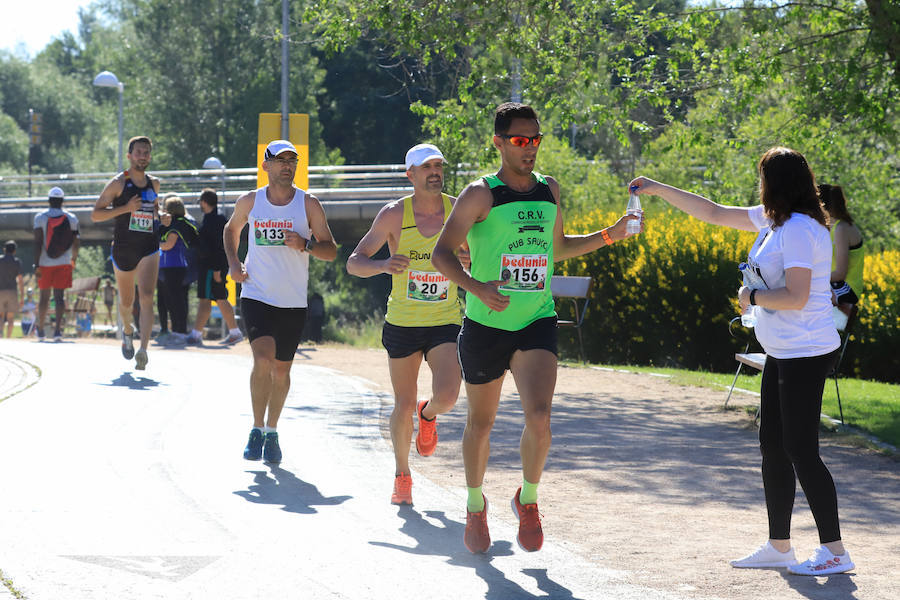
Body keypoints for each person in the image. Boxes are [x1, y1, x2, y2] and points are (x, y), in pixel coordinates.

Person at [629, 147, 854, 576]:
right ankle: (780, 546)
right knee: (773, 446)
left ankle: (836, 551)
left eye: (763, 177)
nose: (759, 186)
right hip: (782, 352)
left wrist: (752, 297)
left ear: (777, 182)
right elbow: (713, 212)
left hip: (804, 352)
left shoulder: (801, 230)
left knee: (801, 451)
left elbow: (797, 296)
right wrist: (657, 189)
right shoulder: (775, 221)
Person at [431, 103, 639, 553]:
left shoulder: (550, 190)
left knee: (540, 418)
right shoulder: (479, 194)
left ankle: (528, 500)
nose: (530, 149)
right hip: (486, 325)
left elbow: (557, 248)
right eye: (520, 141)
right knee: (481, 424)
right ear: (499, 142)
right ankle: (474, 504)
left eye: (536, 140)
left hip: (536, 319)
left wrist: (610, 234)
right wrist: (474, 287)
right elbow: (441, 253)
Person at [347, 143, 468, 505]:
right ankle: (403, 475)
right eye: (426, 166)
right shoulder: (393, 215)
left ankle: (427, 414)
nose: (434, 171)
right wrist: (382, 265)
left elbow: (481, 259)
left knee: (448, 395)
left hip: (444, 319)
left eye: (438, 165)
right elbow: (354, 262)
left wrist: (470, 259)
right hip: (402, 322)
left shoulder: (458, 211)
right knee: (401, 402)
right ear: (410, 174)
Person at [225, 140, 337, 464]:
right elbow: (230, 230)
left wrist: (306, 244)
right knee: (263, 359)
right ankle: (256, 428)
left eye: (293, 160)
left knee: (281, 371)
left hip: (292, 301)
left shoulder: (308, 204)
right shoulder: (251, 201)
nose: (287, 165)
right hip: (256, 293)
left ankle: (272, 431)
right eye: (280, 160)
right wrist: (234, 263)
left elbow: (330, 250)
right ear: (266, 165)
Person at [91, 136, 160, 370]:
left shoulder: (154, 184)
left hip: (149, 247)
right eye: (139, 152)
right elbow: (95, 214)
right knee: (127, 302)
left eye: (146, 152)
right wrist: (125, 209)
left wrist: (163, 218)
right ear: (129, 156)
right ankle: (128, 332)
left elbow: (154, 213)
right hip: (124, 249)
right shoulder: (118, 183)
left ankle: (143, 350)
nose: (143, 156)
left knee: (148, 296)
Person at [187, 188, 243, 346]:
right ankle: (234, 332)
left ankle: (197, 335)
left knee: (209, 299)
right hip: (211, 266)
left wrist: (218, 269)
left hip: (212, 267)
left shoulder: (216, 220)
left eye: (201, 202)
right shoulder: (212, 219)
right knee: (217, 298)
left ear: (204, 202)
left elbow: (221, 246)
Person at [33, 186, 80, 341]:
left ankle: (40, 331)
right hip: (64, 263)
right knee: (59, 297)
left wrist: (36, 265)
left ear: (49, 200)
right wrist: (73, 259)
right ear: (62, 201)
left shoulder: (40, 218)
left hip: (45, 264)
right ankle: (58, 332)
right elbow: (76, 241)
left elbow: (38, 242)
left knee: (44, 297)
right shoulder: (72, 218)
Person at [157, 196, 199, 346]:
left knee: (174, 301)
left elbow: (168, 245)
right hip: (178, 267)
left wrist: (153, 242)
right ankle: (180, 331)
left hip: (173, 266)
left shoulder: (175, 225)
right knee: (179, 300)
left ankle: (178, 332)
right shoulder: (183, 222)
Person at [818, 184, 863, 309]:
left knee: (809, 297)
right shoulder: (831, 227)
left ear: (821, 205)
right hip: (836, 283)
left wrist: (813, 278)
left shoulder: (841, 228)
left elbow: (840, 273)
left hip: (848, 287)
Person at [0, 240, 24, 338]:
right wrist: (22, 296)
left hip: (0, 291)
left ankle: (0, 337)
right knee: (10, 318)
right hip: (12, 291)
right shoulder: (17, 261)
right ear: (14, 251)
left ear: (4, 250)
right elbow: (20, 280)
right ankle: (8, 338)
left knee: (0, 316)